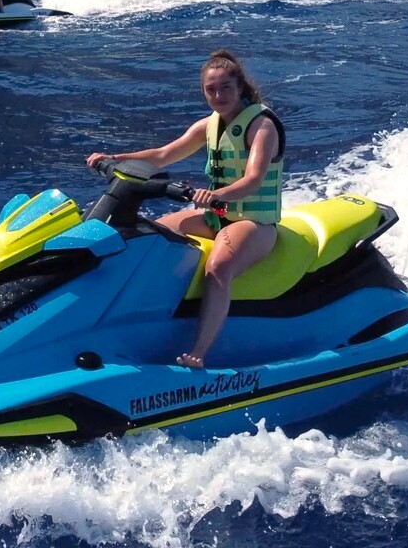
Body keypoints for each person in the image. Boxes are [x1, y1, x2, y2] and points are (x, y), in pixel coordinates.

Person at [85, 49, 285, 369]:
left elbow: (253, 179)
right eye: (211, 89)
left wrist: (216, 195)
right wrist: (118, 158)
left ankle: (199, 352)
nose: (218, 95)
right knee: (154, 235)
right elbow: (164, 154)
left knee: (218, 268)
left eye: (225, 87)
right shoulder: (209, 125)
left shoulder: (262, 126)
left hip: (254, 222)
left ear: (241, 87)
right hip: (218, 215)